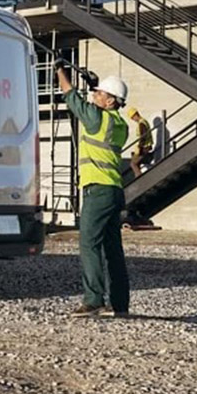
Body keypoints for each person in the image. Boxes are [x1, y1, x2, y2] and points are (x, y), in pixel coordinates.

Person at [57, 67, 131, 318]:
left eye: (100, 93)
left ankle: (94, 300)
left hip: (97, 191)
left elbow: (70, 96)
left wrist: (60, 70)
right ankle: (119, 304)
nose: (95, 95)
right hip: (113, 191)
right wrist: (93, 85)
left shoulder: (97, 118)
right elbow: (91, 104)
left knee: (89, 243)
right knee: (112, 250)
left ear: (110, 100)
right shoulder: (119, 123)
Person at [127, 107, 154, 177]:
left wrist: (139, 147)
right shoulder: (144, 121)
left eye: (133, 117)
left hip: (144, 148)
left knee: (133, 164)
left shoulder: (141, 124)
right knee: (137, 163)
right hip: (146, 147)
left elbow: (143, 137)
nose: (133, 119)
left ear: (136, 115)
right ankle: (139, 177)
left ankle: (139, 178)